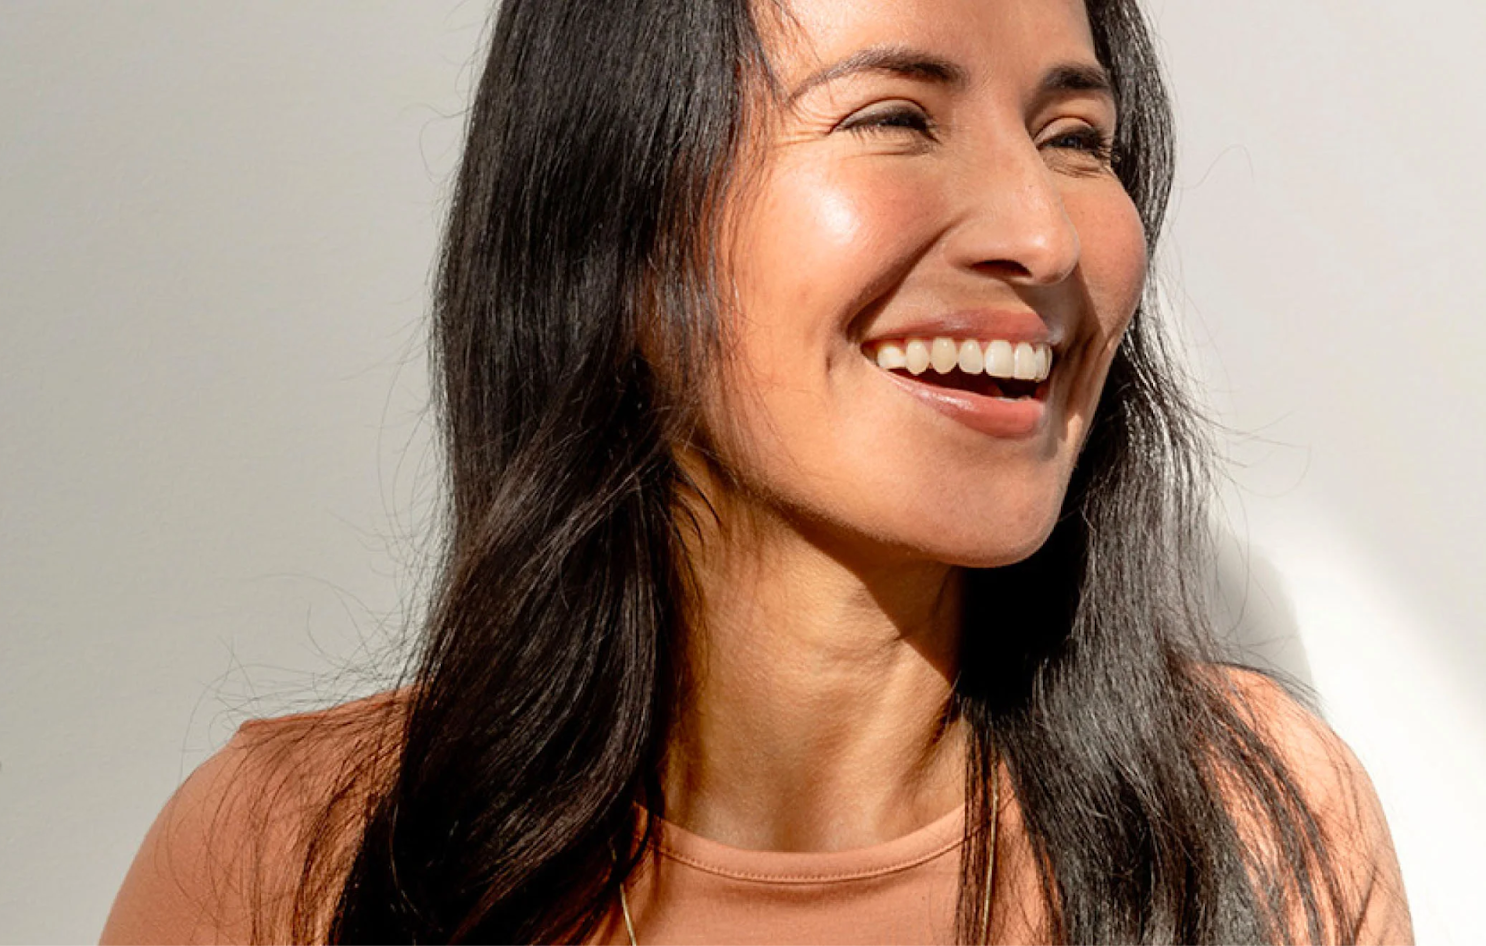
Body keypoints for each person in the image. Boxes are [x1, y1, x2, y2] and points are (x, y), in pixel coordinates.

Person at [100, 0, 1413, 943]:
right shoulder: (296, 859)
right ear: (620, 211)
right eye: (894, 115)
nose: (1042, 232)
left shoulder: (1254, 828)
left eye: (1077, 136)